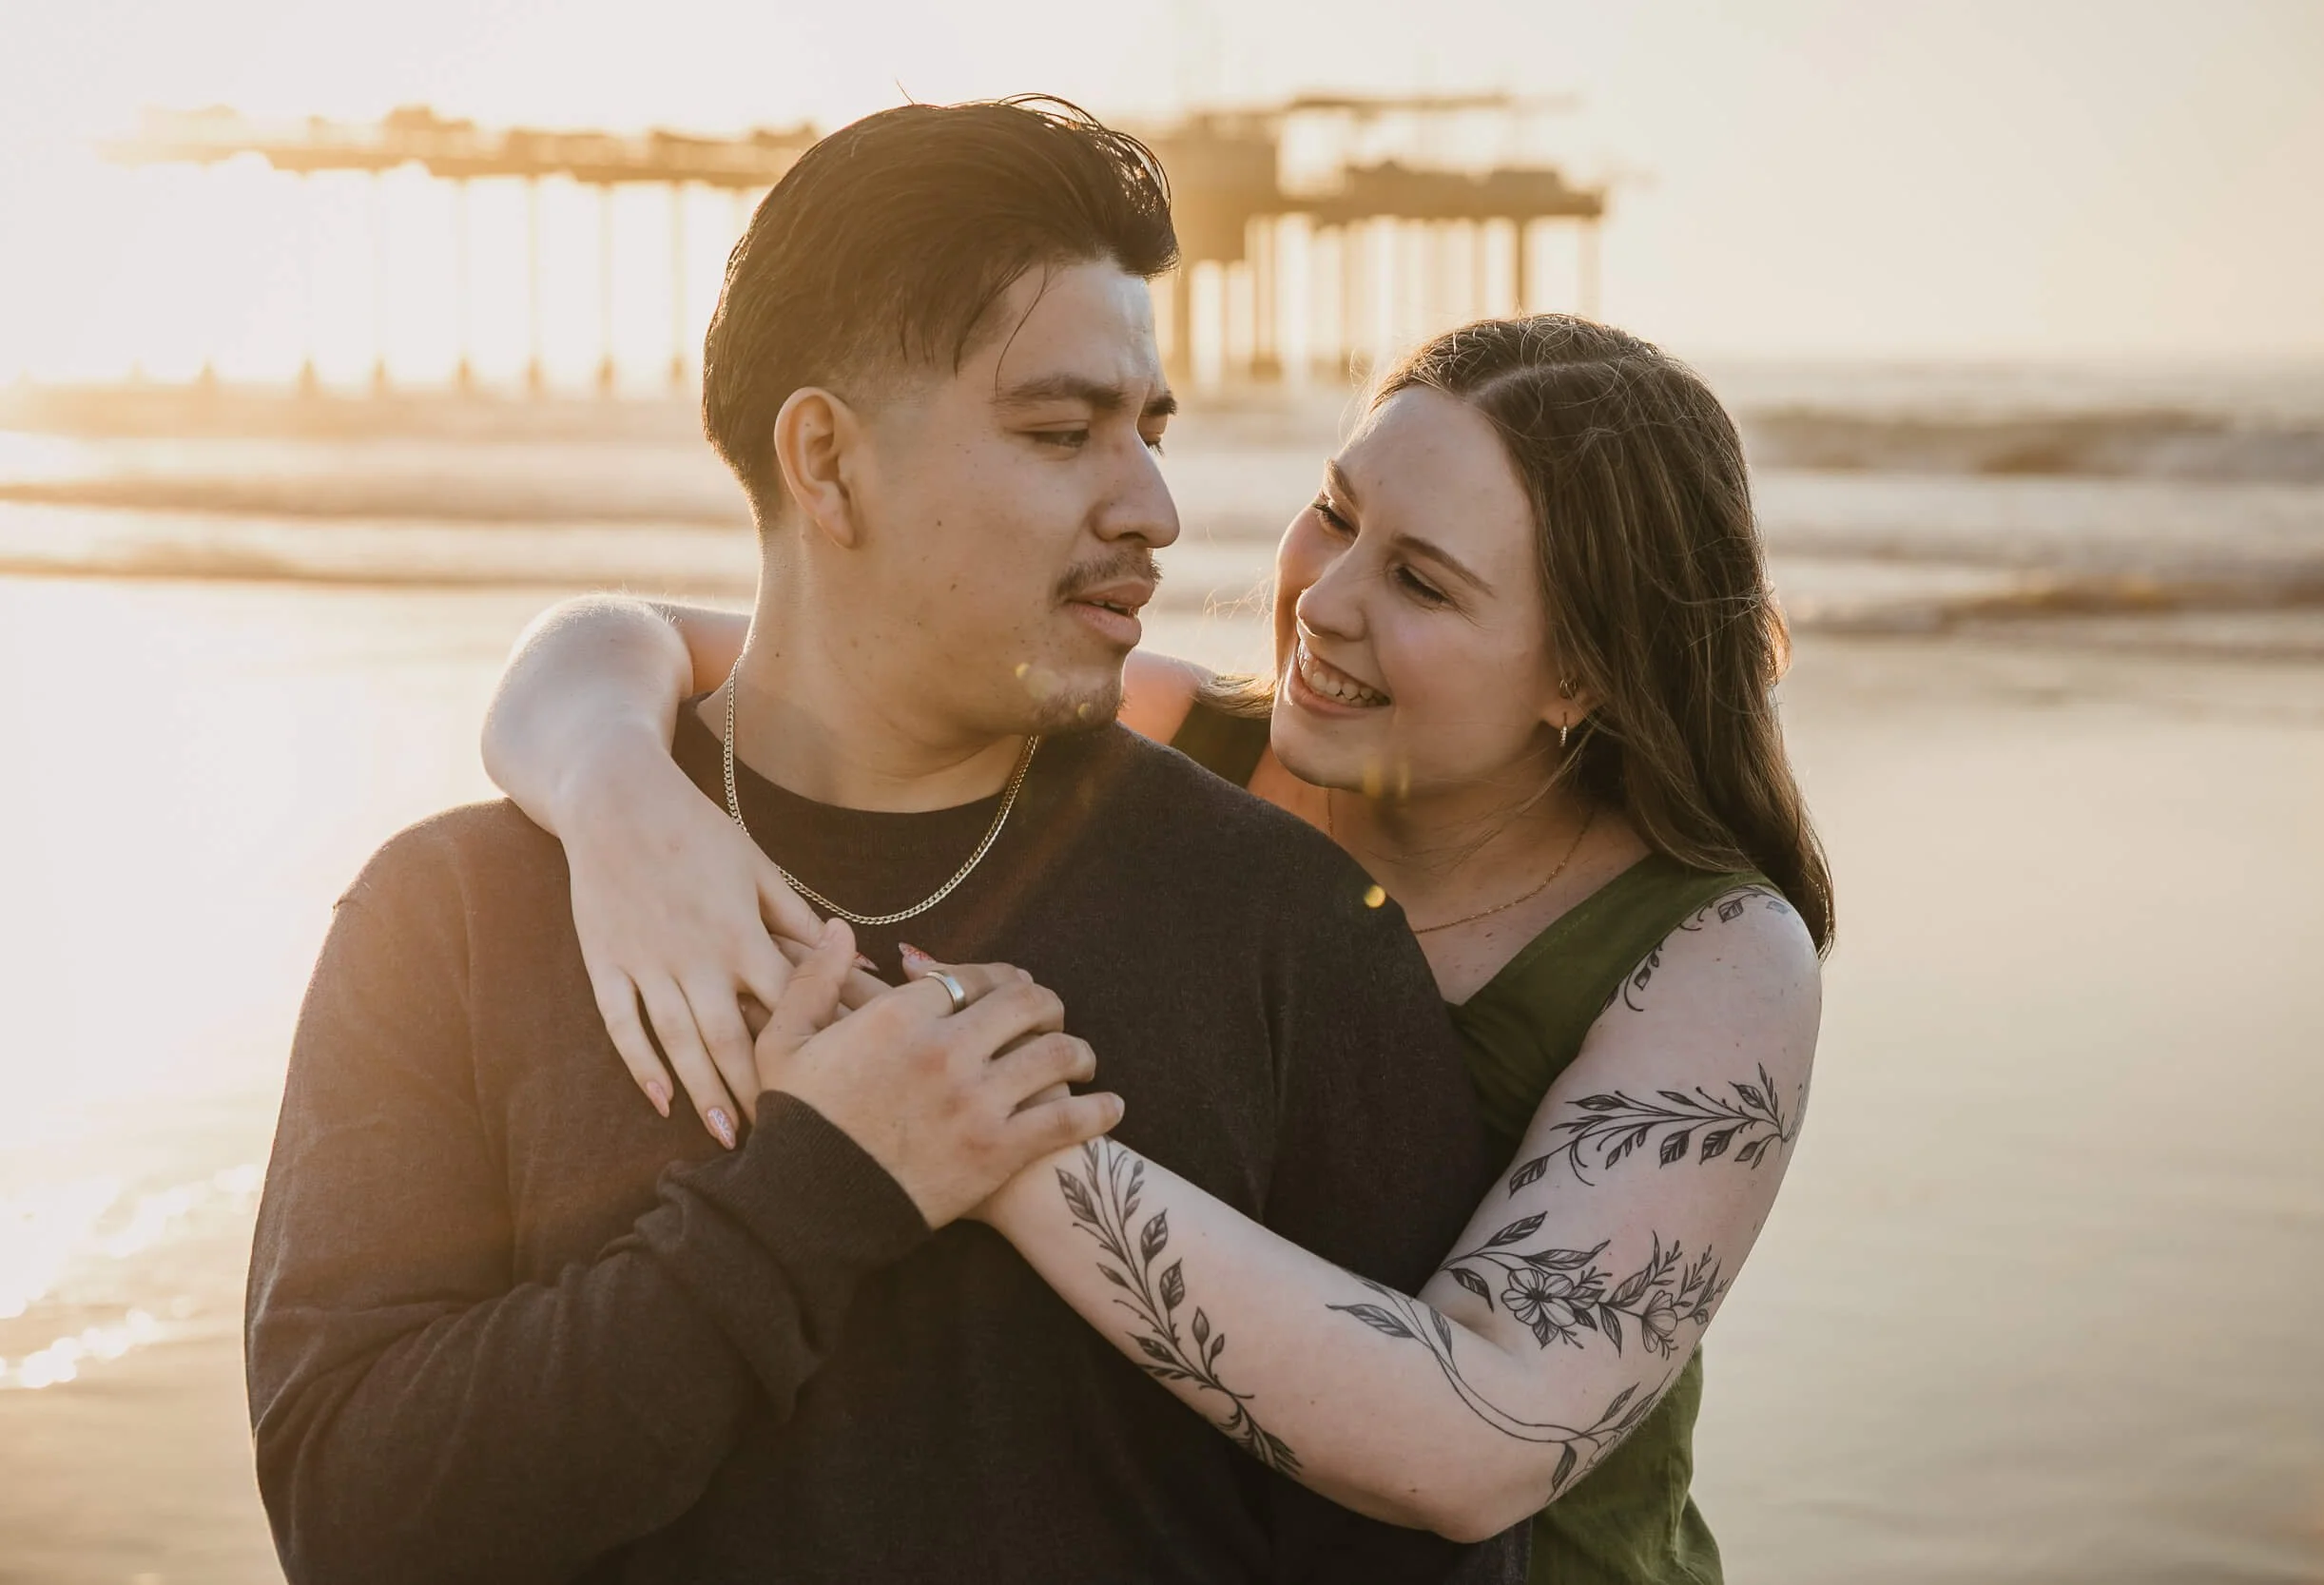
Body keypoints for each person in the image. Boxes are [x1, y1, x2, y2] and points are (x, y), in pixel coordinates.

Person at [246, 97, 1520, 1584]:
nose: (1157, 507)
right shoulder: (454, 917)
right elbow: (354, 1521)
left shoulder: (1292, 925)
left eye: (1152, 431)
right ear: (827, 463)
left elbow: (1424, 1542)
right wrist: (816, 1191)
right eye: (1062, 431)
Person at [480, 316, 1832, 1582]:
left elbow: (1476, 1439)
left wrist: (991, 1126)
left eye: (1419, 579)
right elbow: (617, 640)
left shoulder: (1715, 952)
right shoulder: (1177, 747)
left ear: (1580, 673)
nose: (1324, 598)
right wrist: (617, 795)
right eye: (1338, 515)